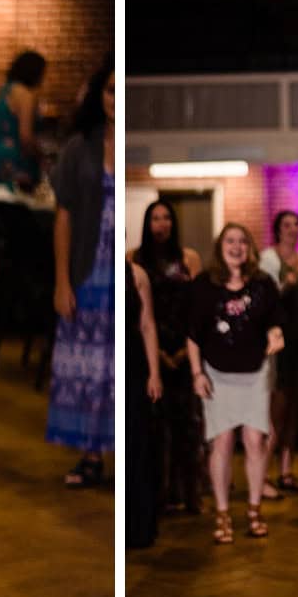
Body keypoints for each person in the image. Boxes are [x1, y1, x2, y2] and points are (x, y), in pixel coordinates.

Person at [187, 224, 283, 544]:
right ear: (220, 246)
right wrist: (196, 374)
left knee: (256, 440)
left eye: (243, 241)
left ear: (250, 248)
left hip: (254, 372)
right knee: (222, 441)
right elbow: (193, 335)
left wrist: (275, 335)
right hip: (217, 373)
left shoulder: (263, 284)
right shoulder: (204, 285)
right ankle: (223, 513)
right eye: (231, 241)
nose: (237, 246)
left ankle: (254, 510)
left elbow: (275, 323)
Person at [48, 67, 115, 487]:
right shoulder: (79, 148)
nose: (116, 100)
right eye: (110, 91)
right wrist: (61, 281)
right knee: (90, 366)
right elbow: (64, 216)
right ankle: (90, 455)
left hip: (126, 272)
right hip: (89, 269)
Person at [135, 200, 205, 512]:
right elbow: (137, 313)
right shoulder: (134, 259)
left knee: (187, 426)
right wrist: (158, 353)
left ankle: (189, 493)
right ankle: (158, 494)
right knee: (154, 428)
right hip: (151, 349)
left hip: (183, 346)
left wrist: (184, 352)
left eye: (166, 218)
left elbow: (198, 307)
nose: (161, 224)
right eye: (155, 219)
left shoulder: (189, 258)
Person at [260, 209, 298, 494]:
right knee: (276, 411)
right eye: (286, 225)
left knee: (294, 409)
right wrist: (287, 284)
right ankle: (263, 473)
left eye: (296, 224)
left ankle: (286, 470)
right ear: (277, 229)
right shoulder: (269, 259)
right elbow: (266, 297)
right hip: (277, 343)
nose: (292, 229)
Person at [125, 258, 164, 550]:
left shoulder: (137, 273)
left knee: (137, 441)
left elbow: (147, 324)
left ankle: (138, 526)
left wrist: (154, 373)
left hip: (133, 360)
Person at [0, 50, 45, 188]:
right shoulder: (26, 95)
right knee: (20, 206)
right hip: (13, 160)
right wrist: (40, 156)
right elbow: (25, 137)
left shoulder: (4, 90)